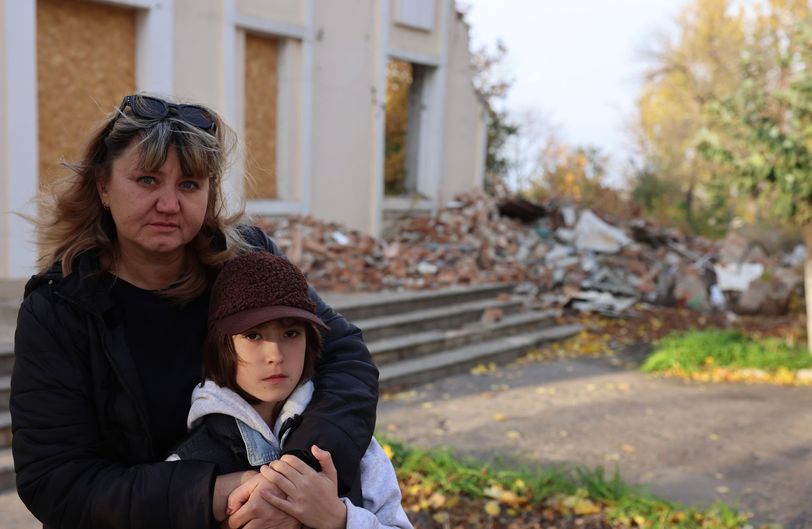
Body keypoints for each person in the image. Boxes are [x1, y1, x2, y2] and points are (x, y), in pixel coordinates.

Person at [10, 94, 378, 528]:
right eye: (147, 180)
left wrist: (293, 474)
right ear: (103, 185)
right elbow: (57, 481)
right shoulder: (59, 311)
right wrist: (217, 492)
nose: (169, 204)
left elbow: (345, 357)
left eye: (189, 184)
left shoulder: (245, 261)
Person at [167, 251, 412, 529]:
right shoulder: (188, 464)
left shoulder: (356, 446)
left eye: (291, 333)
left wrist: (339, 519)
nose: (275, 354)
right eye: (253, 335)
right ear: (221, 346)